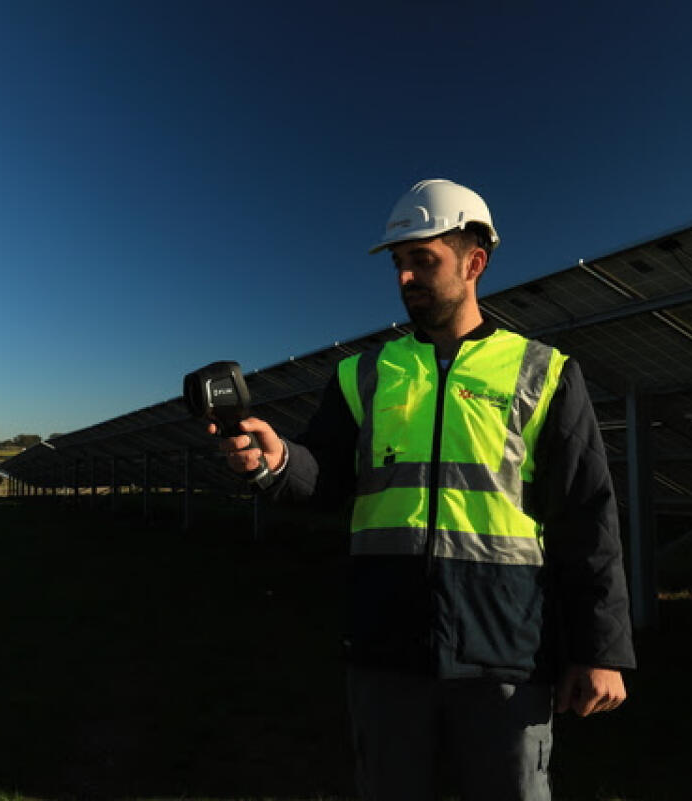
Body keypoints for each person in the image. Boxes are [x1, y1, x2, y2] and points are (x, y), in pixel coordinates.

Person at [210, 179, 636, 800]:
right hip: (386, 643)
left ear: (474, 263)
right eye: (399, 264)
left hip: (507, 652)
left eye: (423, 261)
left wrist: (601, 648)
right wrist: (279, 463)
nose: (405, 278)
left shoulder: (542, 372)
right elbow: (326, 477)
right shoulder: (365, 373)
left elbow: (586, 516)